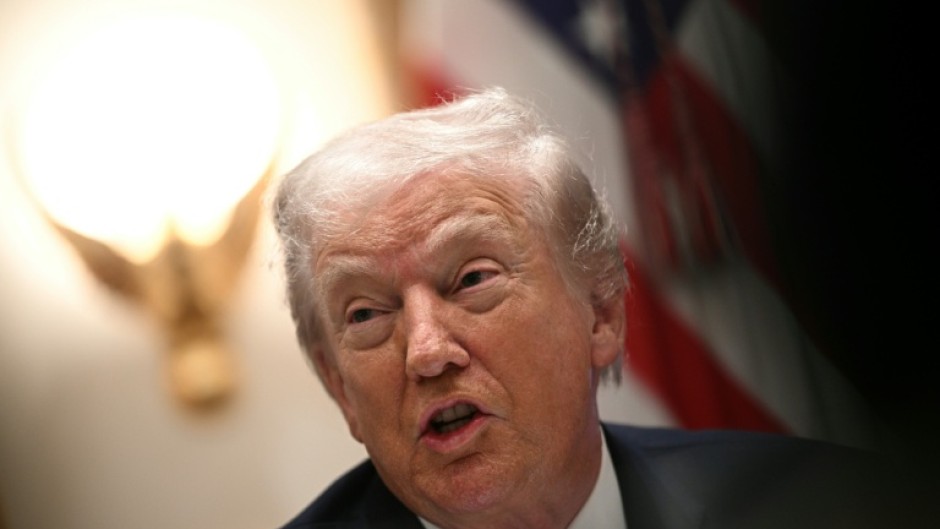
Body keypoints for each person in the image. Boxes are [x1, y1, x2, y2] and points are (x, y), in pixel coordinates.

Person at [271, 88, 909, 529]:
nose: (428, 350)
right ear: (342, 391)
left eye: (470, 279)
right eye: (365, 315)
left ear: (600, 311)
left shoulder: (834, 506)